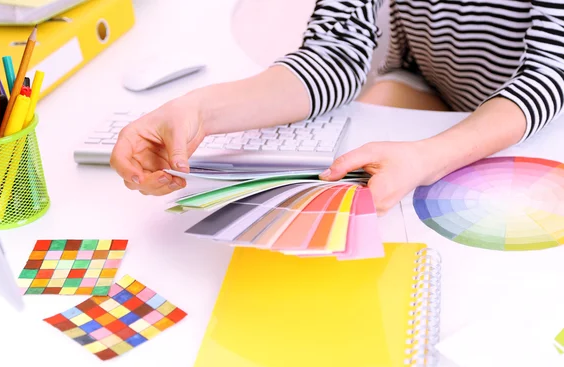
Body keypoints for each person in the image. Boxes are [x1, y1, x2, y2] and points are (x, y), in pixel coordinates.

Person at [110, 0, 564, 215]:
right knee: (354, 174)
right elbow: (335, 52)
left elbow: (548, 74)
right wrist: (199, 110)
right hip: (432, 86)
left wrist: (428, 157)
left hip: (537, 118)